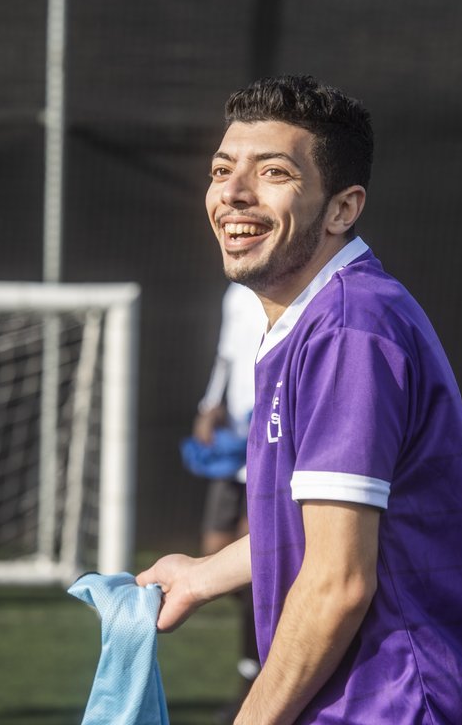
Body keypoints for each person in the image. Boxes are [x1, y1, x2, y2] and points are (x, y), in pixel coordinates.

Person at [138, 75, 462, 724]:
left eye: (273, 172)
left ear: (343, 209)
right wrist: (204, 574)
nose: (233, 192)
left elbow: (338, 582)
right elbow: (330, 533)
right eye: (222, 169)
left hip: (404, 705)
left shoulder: (348, 330)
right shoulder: (319, 319)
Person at [190, 282, 266, 721]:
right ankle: (256, 661)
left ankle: (254, 679)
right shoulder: (237, 294)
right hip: (233, 446)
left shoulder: (304, 292)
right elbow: (226, 354)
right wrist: (210, 402)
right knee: (217, 556)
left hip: (270, 444)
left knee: (259, 566)